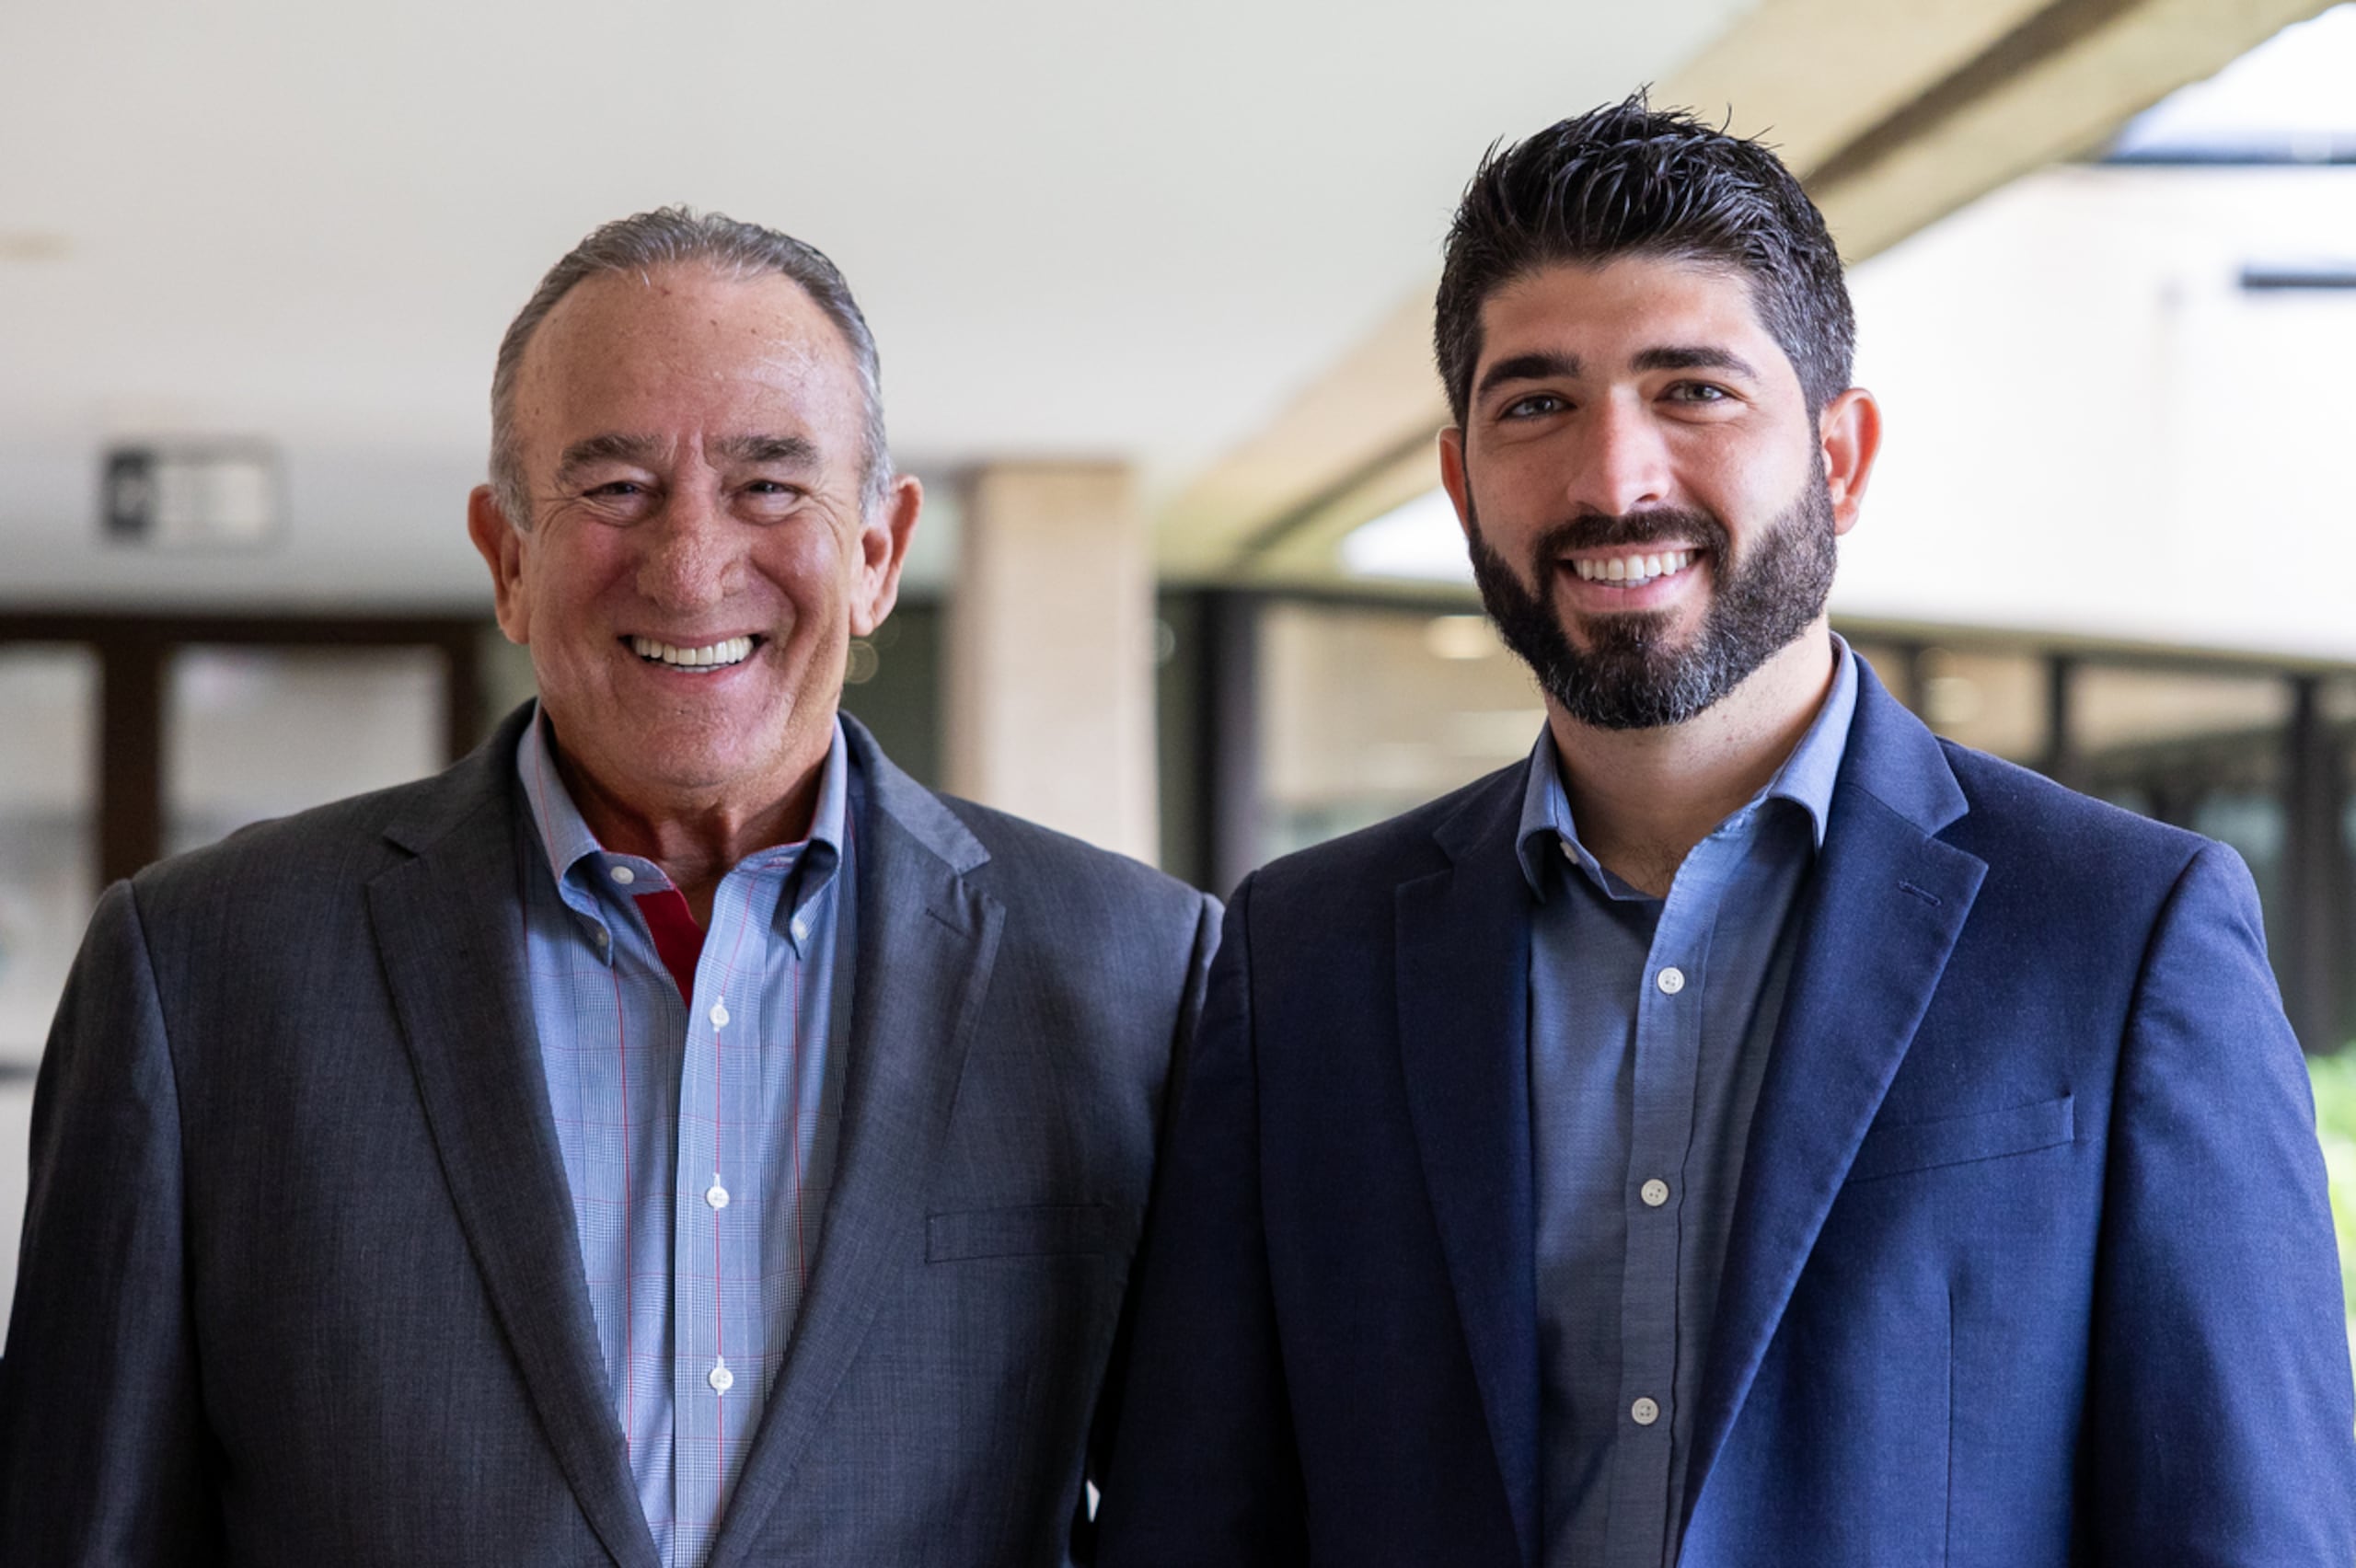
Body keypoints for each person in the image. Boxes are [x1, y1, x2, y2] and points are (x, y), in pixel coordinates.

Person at [1097, 98, 2356, 1566]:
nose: (1614, 478)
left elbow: (2251, 1528)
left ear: (1844, 454)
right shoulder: (1303, 950)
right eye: (1537, 403)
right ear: (1460, 481)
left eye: (1691, 390)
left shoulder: (2121, 929)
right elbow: (1201, 1522)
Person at [0, 208, 1218, 1568]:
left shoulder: (1136, 974)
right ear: (508, 557)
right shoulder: (201, 968)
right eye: (616, 487)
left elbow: (1204, 1516)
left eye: (770, 484)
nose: (691, 564)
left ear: (876, 552)